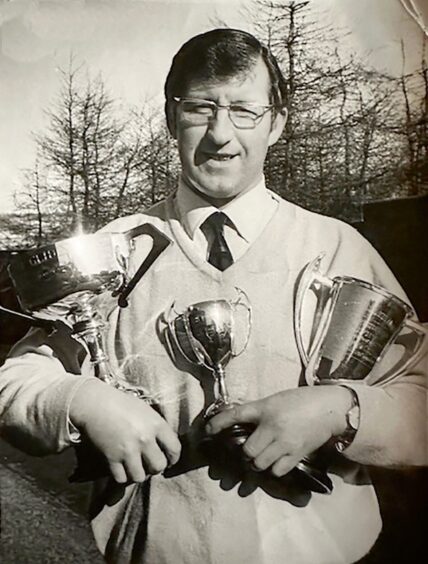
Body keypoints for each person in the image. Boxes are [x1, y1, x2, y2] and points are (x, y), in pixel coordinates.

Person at [0, 28, 426, 564]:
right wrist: (81, 401)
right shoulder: (115, 251)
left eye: (245, 111)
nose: (221, 135)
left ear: (277, 123)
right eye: (201, 108)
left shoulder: (336, 247)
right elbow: (15, 381)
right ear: (170, 118)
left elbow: (420, 388)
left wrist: (341, 409)